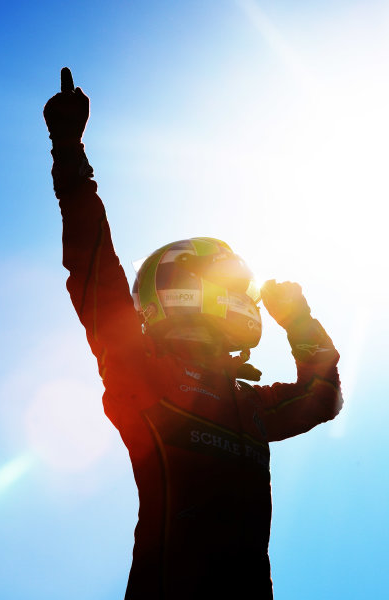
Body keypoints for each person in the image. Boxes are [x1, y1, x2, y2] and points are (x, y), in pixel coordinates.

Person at [44, 68, 343, 600]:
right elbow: (94, 271)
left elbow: (322, 398)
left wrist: (299, 319)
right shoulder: (143, 369)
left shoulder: (250, 404)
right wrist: (69, 150)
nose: (239, 295)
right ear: (179, 287)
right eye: (222, 281)